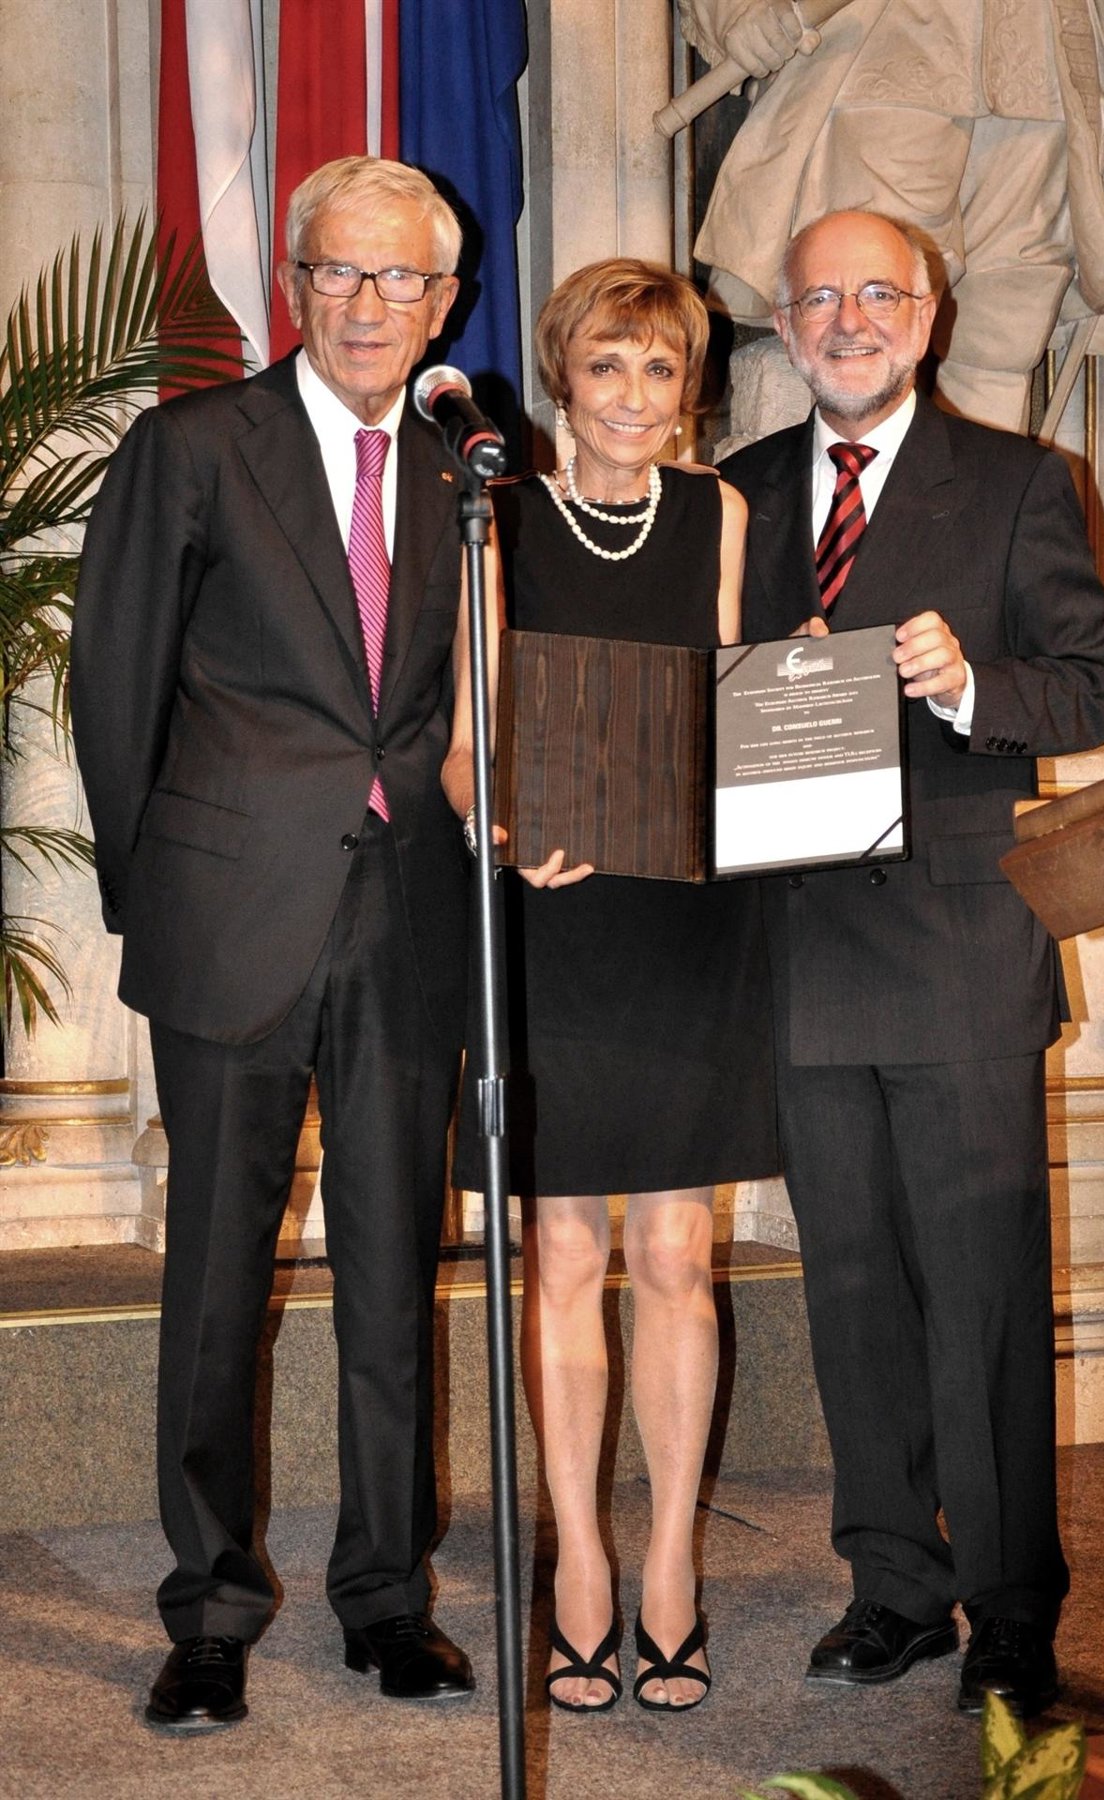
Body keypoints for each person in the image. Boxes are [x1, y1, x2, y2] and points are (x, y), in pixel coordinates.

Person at [70, 156, 482, 1730]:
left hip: (409, 917)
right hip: (229, 915)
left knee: (392, 1271)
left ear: (443, 302)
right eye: (341, 272)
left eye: (402, 279)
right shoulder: (192, 448)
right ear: (295, 285)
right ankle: (210, 1608)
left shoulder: (465, 471)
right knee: (215, 1278)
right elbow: (116, 691)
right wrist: (161, 894)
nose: (371, 304)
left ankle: (388, 1597)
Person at [718, 210, 1104, 1715]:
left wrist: (972, 685)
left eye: (878, 295)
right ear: (785, 322)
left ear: (930, 314)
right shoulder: (738, 494)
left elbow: (1100, 689)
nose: (849, 320)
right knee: (851, 1287)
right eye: (820, 297)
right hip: (804, 946)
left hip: (959, 944)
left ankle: (1012, 1605)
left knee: (984, 1292)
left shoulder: (1023, 482)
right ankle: (893, 1584)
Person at [455, 259, 777, 1713]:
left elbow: (726, 701)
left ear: (686, 388)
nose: (635, 396)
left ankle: (673, 1567)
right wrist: (500, 827)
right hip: (555, 917)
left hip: (685, 917)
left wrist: (801, 699)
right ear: (562, 380)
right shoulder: (500, 513)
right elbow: (466, 741)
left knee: (676, 1255)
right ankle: (580, 1561)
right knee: (568, 1256)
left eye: (660, 368)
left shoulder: (718, 512)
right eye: (607, 365)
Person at [677, 0, 1104, 431]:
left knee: (1005, 323)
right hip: (885, 50)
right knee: (850, 302)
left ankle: (978, 507)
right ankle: (823, 504)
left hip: (1038, 52)